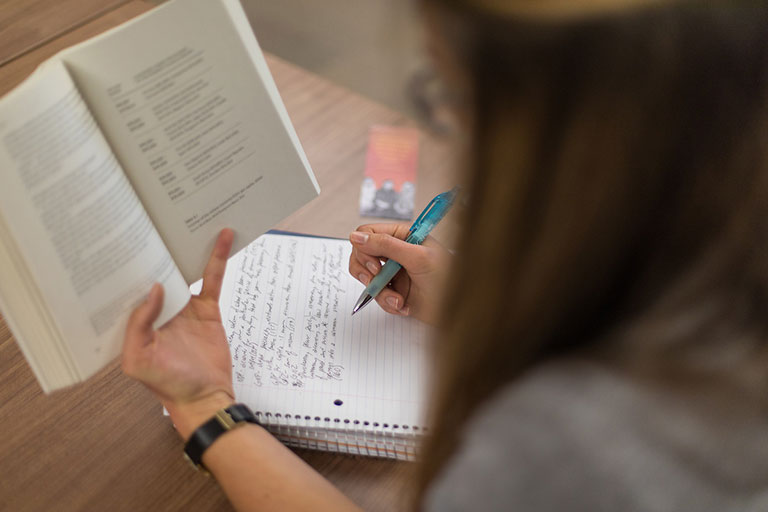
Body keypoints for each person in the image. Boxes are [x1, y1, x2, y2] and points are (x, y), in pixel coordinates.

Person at [121, 0, 768, 510]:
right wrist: (479, 299)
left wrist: (209, 408)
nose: (448, 131)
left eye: (449, 95)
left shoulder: (574, 437)